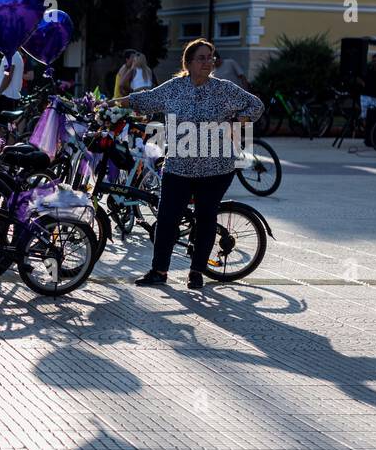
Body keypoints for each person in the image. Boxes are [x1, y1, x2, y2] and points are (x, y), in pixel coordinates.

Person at [113, 37, 263, 290]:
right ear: (188, 62)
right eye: (202, 58)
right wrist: (110, 104)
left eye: (211, 57)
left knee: (206, 217)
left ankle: (196, 271)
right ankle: (159, 271)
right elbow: (145, 100)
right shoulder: (174, 88)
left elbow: (256, 105)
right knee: (167, 218)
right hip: (178, 168)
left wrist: (238, 120)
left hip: (216, 169)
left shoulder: (224, 89)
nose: (208, 62)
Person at [0, 46, 29, 116]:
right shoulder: (13, 55)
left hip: (6, 98)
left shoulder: (11, 55)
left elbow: (7, 75)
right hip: (8, 97)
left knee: (1, 125)